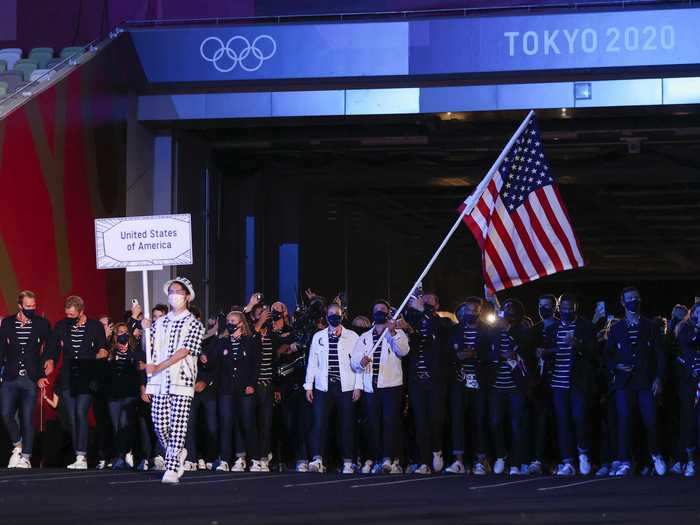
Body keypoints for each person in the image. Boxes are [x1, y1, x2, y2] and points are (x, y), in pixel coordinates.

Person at [143, 277, 205, 484]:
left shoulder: (194, 324)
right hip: (160, 382)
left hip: (182, 380)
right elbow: (150, 347)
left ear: (187, 296)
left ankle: (171, 467)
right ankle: (177, 453)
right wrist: (144, 326)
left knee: (177, 424)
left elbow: (184, 351)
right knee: (160, 424)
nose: (174, 294)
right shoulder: (160, 322)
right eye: (171, 291)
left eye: (178, 291)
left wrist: (159, 366)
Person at [605, 286, 666, 477]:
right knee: (624, 421)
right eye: (629, 299)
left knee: (651, 420)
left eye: (636, 298)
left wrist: (659, 378)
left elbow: (660, 354)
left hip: (646, 381)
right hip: (624, 382)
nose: (633, 301)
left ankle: (655, 455)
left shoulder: (651, 326)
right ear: (623, 303)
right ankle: (624, 461)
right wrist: (616, 366)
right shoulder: (616, 328)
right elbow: (607, 355)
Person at [44, 295, 109, 469]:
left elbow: (103, 347)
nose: (69, 317)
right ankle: (79, 456)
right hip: (68, 375)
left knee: (81, 412)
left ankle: (82, 455)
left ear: (81, 312)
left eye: (73, 315)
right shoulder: (61, 325)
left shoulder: (95, 326)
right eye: (67, 314)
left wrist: (98, 355)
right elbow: (52, 347)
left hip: (87, 374)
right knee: (72, 417)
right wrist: (49, 359)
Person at [539, 294, 596, 476]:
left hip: (578, 382)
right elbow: (550, 350)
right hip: (558, 383)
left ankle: (583, 455)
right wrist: (543, 353)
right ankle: (567, 462)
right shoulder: (553, 328)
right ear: (558, 309)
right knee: (563, 423)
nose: (566, 312)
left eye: (569, 309)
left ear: (575, 308)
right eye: (562, 309)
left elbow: (594, 352)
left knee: (579, 418)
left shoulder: (586, 327)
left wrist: (577, 344)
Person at [352, 300, 409, 474]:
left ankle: (389, 459)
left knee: (390, 423)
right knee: (374, 424)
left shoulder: (397, 333)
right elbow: (354, 362)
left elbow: (403, 351)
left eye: (383, 310)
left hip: (391, 387)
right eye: (376, 310)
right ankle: (377, 458)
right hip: (371, 387)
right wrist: (360, 363)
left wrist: (392, 333)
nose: (379, 313)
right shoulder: (365, 337)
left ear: (388, 314)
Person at [304, 303, 362, 474]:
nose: (334, 317)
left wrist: (358, 386)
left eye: (337, 314)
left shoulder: (352, 336)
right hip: (324, 387)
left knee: (346, 424)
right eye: (330, 314)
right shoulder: (318, 337)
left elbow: (358, 363)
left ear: (342, 315)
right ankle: (318, 459)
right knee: (320, 423)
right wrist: (309, 386)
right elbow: (312, 363)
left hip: (346, 386)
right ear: (326, 316)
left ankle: (348, 461)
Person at [0, 290, 52, 468]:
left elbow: (51, 344)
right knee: (5, 413)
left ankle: (26, 457)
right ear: (20, 306)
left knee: (27, 417)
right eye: (28, 306)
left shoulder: (41, 324)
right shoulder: (7, 323)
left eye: (34, 306)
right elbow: (1, 349)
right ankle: (17, 445)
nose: (31, 309)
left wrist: (47, 362)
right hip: (10, 376)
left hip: (31, 378)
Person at [403, 292, 451, 474]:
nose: (424, 300)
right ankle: (424, 461)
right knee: (421, 421)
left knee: (435, 419)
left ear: (436, 305)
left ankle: (437, 449)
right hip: (417, 381)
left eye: (429, 299)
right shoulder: (413, 322)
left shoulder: (442, 322)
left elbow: (436, 328)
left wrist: (424, 311)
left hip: (435, 381)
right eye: (423, 298)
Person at [485, 298, 533, 476]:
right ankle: (500, 455)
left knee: (516, 425)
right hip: (497, 386)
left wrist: (514, 352)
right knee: (496, 422)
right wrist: (499, 355)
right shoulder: (493, 332)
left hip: (515, 387)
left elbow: (528, 351)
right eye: (505, 309)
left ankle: (516, 462)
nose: (506, 313)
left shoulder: (522, 331)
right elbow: (486, 354)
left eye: (510, 310)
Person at [209, 310, 262, 472]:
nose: (230, 324)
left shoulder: (250, 342)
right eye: (229, 321)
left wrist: (252, 384)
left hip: (245, 389)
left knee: (247, 423)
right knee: (226, 423)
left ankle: (255, 459)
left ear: (241, 323)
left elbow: (256, 365)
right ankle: (224, 460)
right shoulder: (222, 342)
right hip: (226, 389)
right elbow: (214, 361)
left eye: (233, 321)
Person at [445, 297, 490, 475]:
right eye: (467, 311)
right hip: (459, 382)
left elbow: (492, 355)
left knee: (479, 421)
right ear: (462, 312)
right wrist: (458, 357)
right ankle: (458, 461)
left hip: (479, 383)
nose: (470, 314)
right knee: (458, 421)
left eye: (474, 310)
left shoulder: (487, 331)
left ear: (480, 311)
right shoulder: (454, 331)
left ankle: (480, 461)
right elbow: (447, 354)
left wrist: (476, 355)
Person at [527, 294, 559, 475]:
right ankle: (538, 459)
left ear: (555, 307)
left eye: (547, 306)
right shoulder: (534, 329)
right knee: (540, 421)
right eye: (541, 305)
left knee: (558, 421)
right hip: (539, 383)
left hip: (558, 380)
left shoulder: (561, 327)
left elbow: (564, 349)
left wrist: (548, 352)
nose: (543, 309)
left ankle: (559, 460)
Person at [107, 322, 146, 469]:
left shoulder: (135, 352)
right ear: (115, 336)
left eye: (125, 332)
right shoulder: (111, 353)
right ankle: (120, 455)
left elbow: (139, 370)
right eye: (119, 333)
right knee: (116, 426)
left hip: (129, 395)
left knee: (125, 424)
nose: (122, 336)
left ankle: (124, 455)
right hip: (114, 396)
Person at [674, 303, 700, 477]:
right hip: (690, 383)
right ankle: (689, 461)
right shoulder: (684, 329)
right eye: (699, 312)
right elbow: (691, 341)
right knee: (690, 421)